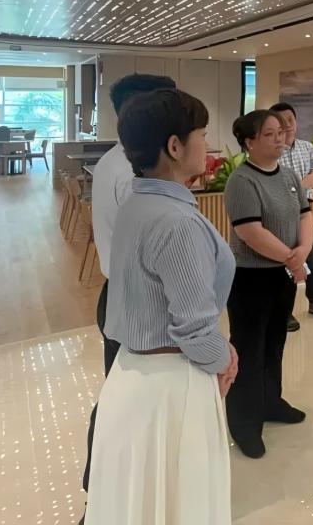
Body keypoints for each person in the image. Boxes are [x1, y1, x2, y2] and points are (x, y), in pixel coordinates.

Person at [85, 88, 238, 525]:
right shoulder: (176, 221)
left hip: (132, 376)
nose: (208, 145)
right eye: (202, 134)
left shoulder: (138, 204)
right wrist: (225, 357)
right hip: (171, 386)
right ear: (175, 145)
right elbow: (194, 331)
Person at [83, 72, 176, 495]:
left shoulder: (116, 160)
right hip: (137, 297)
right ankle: (105, 494)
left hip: (121, 292)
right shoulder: (135, 174)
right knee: (125, 399)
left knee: (123, 394)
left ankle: (110, 489)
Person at [225, 109, 313, 458]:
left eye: (281, 132)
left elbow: (305, 215)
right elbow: (250, 231)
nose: (280, 139)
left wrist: (302, 251)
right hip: (251, 278)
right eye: (269, 134)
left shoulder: (289, 175)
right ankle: (244, 422)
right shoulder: (242, 181)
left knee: (275, 343)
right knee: (249, 350)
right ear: (249, 142)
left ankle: (270, 402)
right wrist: (293, 258)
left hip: (282, 276)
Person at [269, 101, 313, 332]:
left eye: (291, 119)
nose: (287, 125)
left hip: (304, 213)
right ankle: (284, 311)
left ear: (296, 122)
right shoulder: (271, 151)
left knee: (312, 260)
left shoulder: (307, 148)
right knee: (283, 261)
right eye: (282, 121)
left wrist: (291, 188)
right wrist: (296, 189)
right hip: (278, 215)